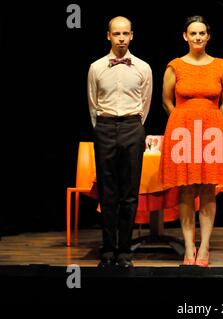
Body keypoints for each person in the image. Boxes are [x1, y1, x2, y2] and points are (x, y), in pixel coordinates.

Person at [161, 15, 223, 267]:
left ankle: (204, 247)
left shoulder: (220, 65)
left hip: (211, 134)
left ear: (208, 36)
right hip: (182, 133)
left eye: (202, 33)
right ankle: (189, 247)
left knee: (207, 190)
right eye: (193, 33)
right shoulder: (175, 66)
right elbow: (167, 100)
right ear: (185, 36)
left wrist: (212, 122)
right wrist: (182, 121)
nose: (198, 37)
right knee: (186, 189)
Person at [87, 16, 153, 268]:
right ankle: (107, 251)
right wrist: (103, 128)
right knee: (108, 193)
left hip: (131, 127)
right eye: (117, 34)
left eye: (126, 34)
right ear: (108, 36)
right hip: (104, 127)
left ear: (132, 35)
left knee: (129, 193)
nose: (122, 38)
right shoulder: (96, 67)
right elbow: (92, 103)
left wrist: (133, 126)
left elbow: (145, 104)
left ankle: (124, 252)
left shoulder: (143, 67)